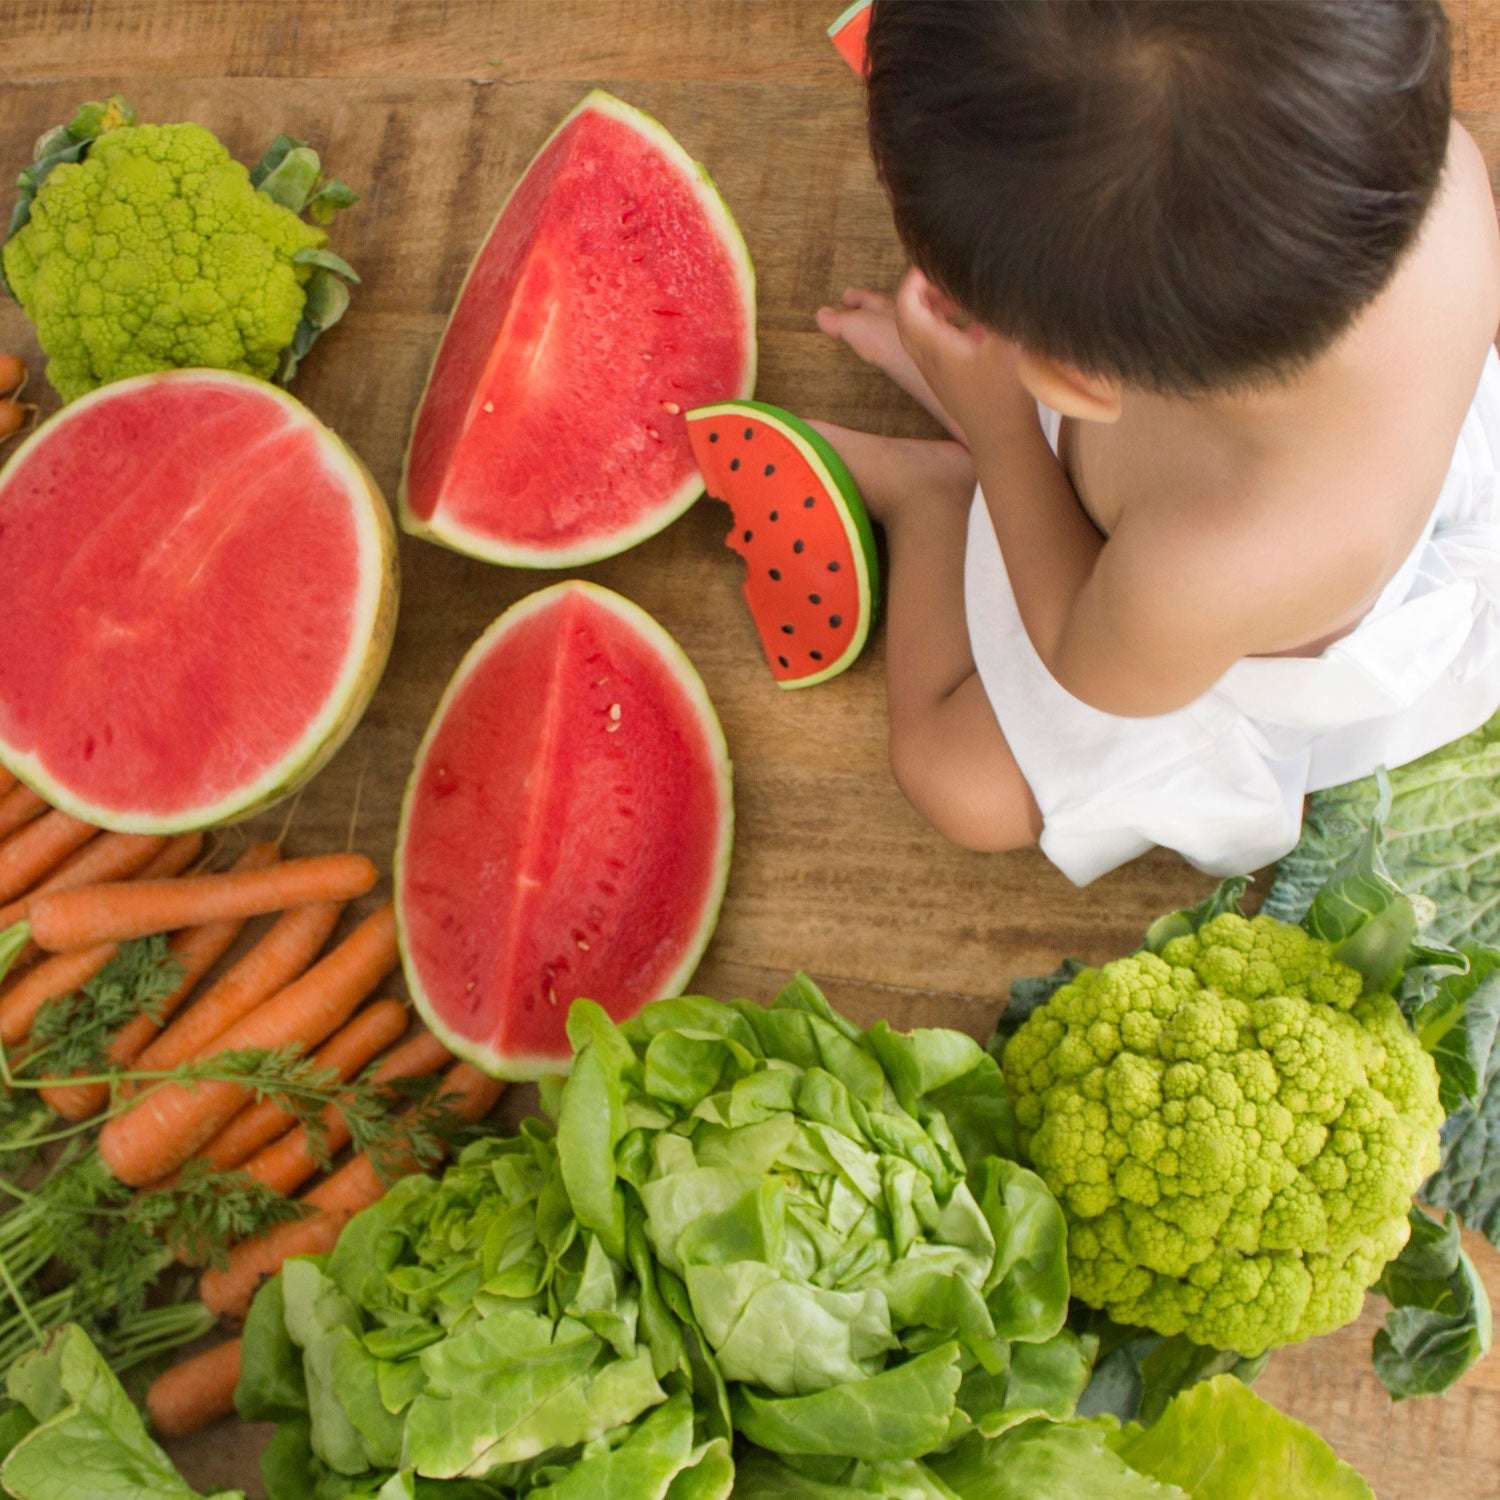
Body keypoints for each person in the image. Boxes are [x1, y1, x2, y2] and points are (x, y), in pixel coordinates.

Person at [814, 0, 1500, 884]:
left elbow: (1080, 654)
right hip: (1283, 450)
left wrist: (1000, 430)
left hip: (1183, 653)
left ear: (1071, 380)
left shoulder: (1207, 565)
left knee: (958, 781)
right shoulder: (1446, 175)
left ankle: (931, 500)